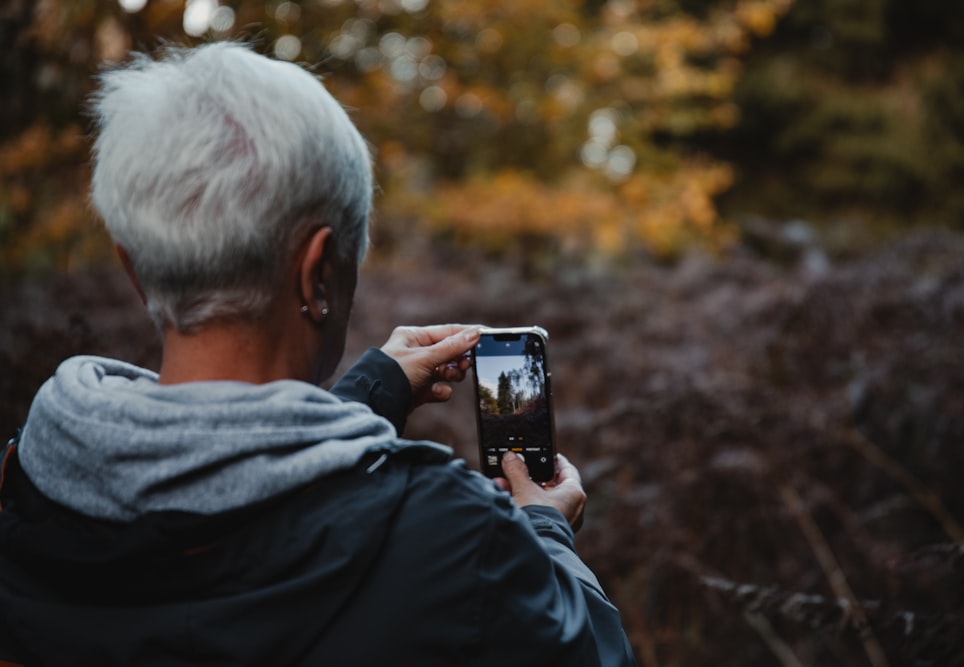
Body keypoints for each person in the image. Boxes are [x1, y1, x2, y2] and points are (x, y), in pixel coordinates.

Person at [0, 42, 635, 666]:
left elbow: (234, 491)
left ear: (132, 269)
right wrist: (546, 534)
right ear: (318, 275)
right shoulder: (448, 540)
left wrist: (373, 388)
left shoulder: (29, 482)